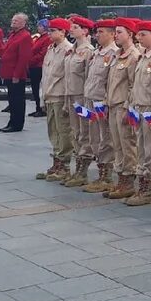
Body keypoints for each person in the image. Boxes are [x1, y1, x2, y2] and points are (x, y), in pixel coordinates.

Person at [125, 22, 151, 207]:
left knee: (150, 151)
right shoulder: (141, 57)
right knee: (141, 148)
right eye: (139, 35)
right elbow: (135, 85)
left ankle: (149, 188)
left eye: (144, 35)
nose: (139, 38)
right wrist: (131, 105)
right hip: (138, 107)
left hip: (150, 109)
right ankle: (141, 184)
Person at [103, 20, 141, 200]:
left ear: (130, 35)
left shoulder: (134, 56)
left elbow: (134, 85)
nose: (116, 35)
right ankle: (121, 178)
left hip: (123, 106)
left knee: (127, 145)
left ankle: (128, 181)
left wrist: (128, 108)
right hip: (113, 105)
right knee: (117, 145)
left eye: (119, 32)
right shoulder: (117, 54)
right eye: (116, 32)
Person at [81, 20, 120, 194]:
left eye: (102, 32)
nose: (98, 35)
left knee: (106, 138)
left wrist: (105, 102)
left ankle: (106, 175)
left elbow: (111, 81)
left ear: (112, 34)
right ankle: (101, 171)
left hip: (101, 101)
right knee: (94, 137)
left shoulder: (114, 53)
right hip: (90, 98)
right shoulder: (97, 52)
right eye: (97, 32)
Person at [61, 17, 96, 188]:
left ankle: (83, 169)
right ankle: (78, 166)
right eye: (71, 27)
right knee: (75, 131)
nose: (71, 30)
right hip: (71, 96)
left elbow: (89, 77)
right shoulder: (72, 51)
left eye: (75, 27)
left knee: (84, 132)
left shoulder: (88, 51)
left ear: (85, 31)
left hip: (82, 97)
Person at [37, 19, 74, 180]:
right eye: (49, 30)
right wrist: (42, 96)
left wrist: (67, 101)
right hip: (49, 95)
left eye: (53, 30)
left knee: (63, 131)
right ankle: (56, 162)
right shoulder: (51, 49)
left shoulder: (68, 50)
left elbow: (67, 78)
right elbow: (45, 75)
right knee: (53, 131)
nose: (50, 33)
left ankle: (64, 165)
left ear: (63, 32)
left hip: (60, 95)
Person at [0, 13, 32, 132]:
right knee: (11, 99)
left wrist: (17, 75)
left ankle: (17, 124)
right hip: (8, 71)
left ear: (23, 23)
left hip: (16, 74)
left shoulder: (25, 36)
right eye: (13, 20)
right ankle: (11, 122)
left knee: (17, 100)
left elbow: (23, 58)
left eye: (16, 20)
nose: (13, 22)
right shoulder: (13, 34)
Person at [28, 21, 51, 118]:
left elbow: (42, 53)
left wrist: (31, 61)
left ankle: (41, 109)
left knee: (39, 88)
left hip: (39, 66)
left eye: (40, 26)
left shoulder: (47, 39)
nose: (38, 27)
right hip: (34, 65)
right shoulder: (39, 37)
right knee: (35, 88)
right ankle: (37, 107)